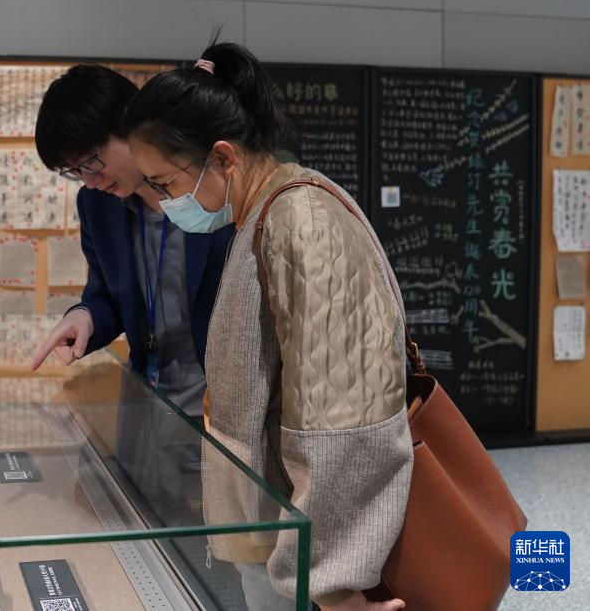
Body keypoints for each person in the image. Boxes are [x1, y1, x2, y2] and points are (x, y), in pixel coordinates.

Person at [124, 42, 412, 611]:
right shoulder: (261, 214)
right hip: (279, 535)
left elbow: (343, 415)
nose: (164, 202)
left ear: (222, 157)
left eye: (165, 183)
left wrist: (334, 584)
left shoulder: (301, 219)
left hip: (309, 552)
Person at [29, 64, 234, 422]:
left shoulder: (209, 187)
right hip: (146, 402)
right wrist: (84, 316)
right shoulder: (96, 205)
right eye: (74, 172)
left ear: (130, 125)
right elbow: (107, 294)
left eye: (91, 162)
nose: (89, 181)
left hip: (219, 408)